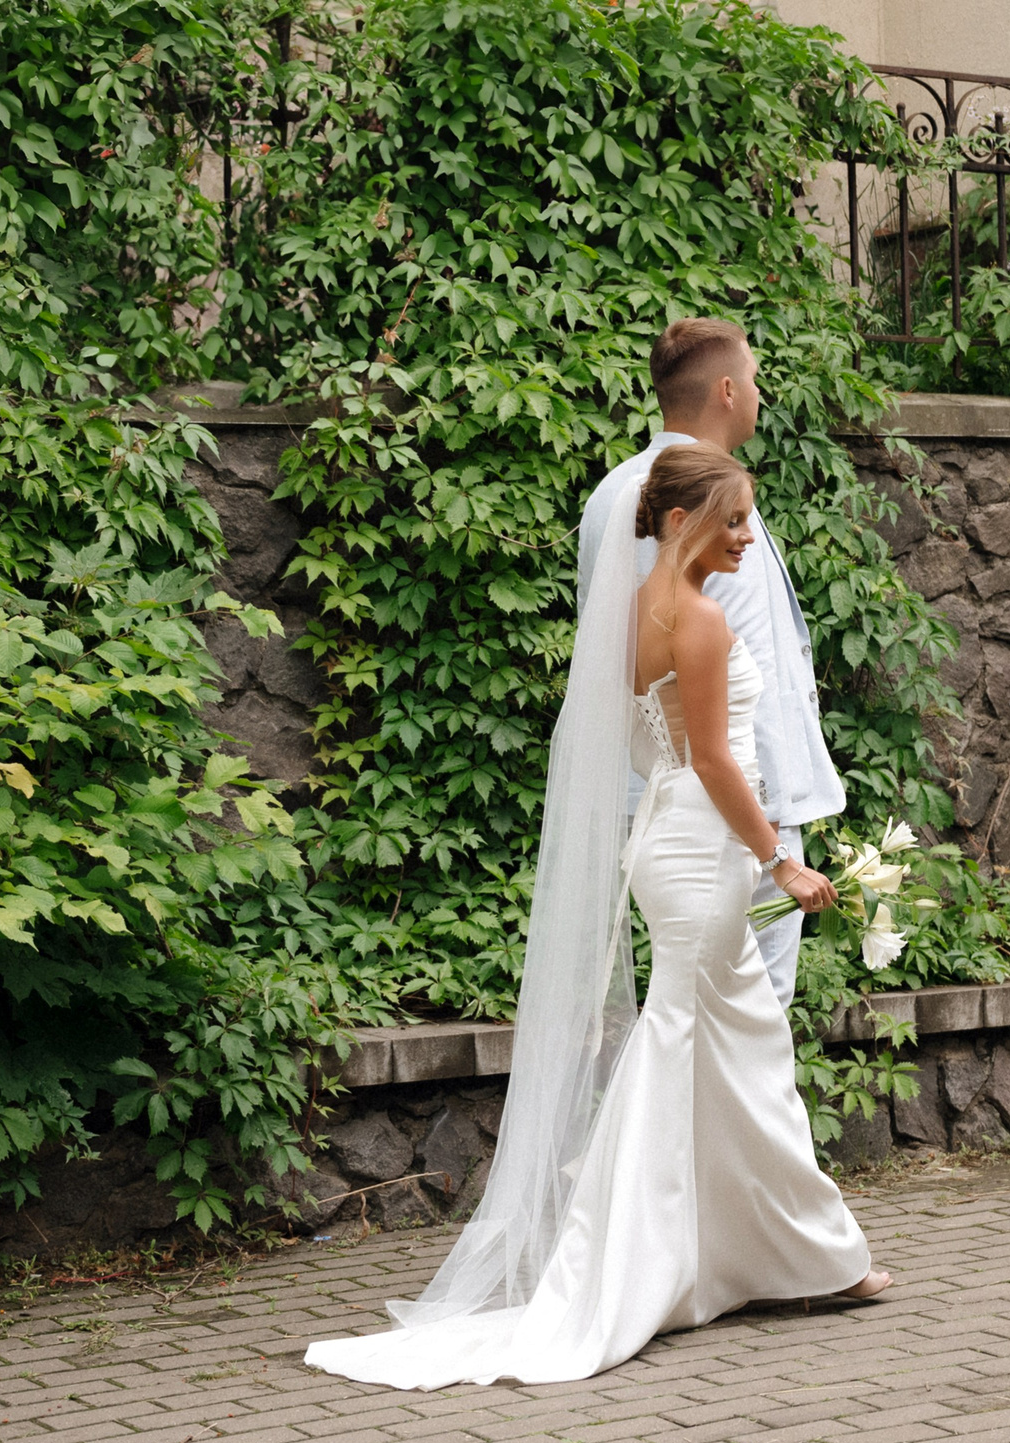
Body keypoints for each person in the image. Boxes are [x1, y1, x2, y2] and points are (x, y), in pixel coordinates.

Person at [305, 443, 891, 1391]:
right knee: (700, 1045)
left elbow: (649, 744)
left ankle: (756, 1258)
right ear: (675, 523)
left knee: (735, 1055)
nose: (748, 537)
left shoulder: (634, 611)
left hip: (673, 842)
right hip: (700, 849)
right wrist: (780, 859)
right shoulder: (695, 620)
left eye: (747, 519)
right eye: (732, 520)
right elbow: (713, 760)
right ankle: (668, 1264)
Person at [577, 317, 841, 1008]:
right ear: (727, 389)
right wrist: (775, 842)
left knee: (693, 1016)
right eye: (754, 380)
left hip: (663, 805)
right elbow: (738, 671)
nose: (759, 395)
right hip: (737, 806)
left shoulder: (615, 495)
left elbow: (622, 669)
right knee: (749, 1015)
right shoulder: (712, 508)